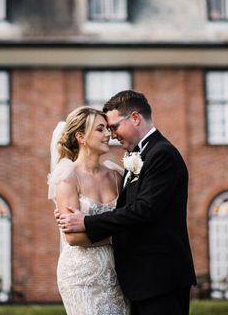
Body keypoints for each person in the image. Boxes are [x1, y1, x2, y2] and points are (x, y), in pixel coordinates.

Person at [60, 90, 196, 315]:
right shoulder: (139, 156)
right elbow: (126, 210)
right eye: (105, 129)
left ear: (135, 118)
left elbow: (144, 210)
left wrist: (88, 222)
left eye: (113, 127)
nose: (112, 135)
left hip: (161, 279)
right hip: (140, 281)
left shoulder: (162, 154)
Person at [47, 106, 130, 315]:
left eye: (107, 129)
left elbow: (128, 217)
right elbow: (73, 238)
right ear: (81, 137)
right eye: (100, 129)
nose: (108, 135)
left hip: (116, 274)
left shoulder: (116, 176)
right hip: (80, 275)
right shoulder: (67, 177)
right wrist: (118, 237)